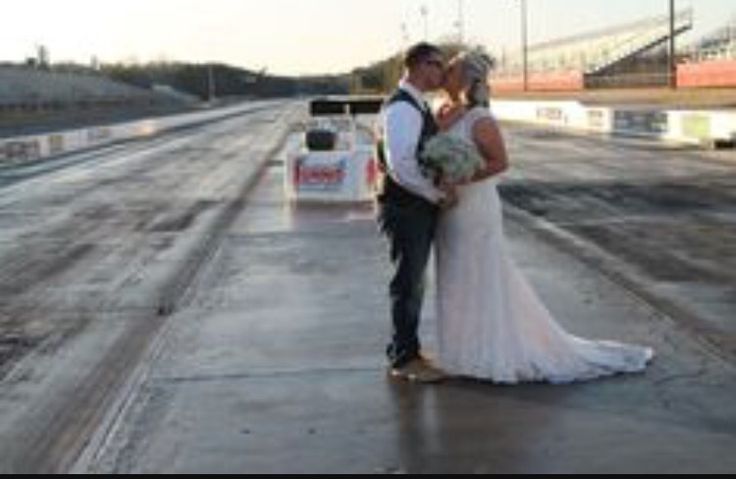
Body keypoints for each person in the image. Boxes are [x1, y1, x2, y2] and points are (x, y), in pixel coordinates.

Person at [434, 50, 654, 384]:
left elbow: (500, 163)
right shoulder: (445, 112)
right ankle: (464, 347)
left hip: (474, 209)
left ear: (463, 79)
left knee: (481, 273)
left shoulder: (480, 118)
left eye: (448, 70)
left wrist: (460, 178)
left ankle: (492, 348)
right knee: (455, 275)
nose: (441, 74)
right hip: (448, 211)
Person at [377, 42, 453, 383]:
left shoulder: (416, 104)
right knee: (409, 283)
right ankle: (403, 357)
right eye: (438, 65)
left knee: (414, 282)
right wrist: (435, 195)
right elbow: (401, 165)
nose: (442, 72)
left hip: (413, 205)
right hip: (406, 207)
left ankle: (408, 350)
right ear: (420, 65)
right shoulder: (403, 108)